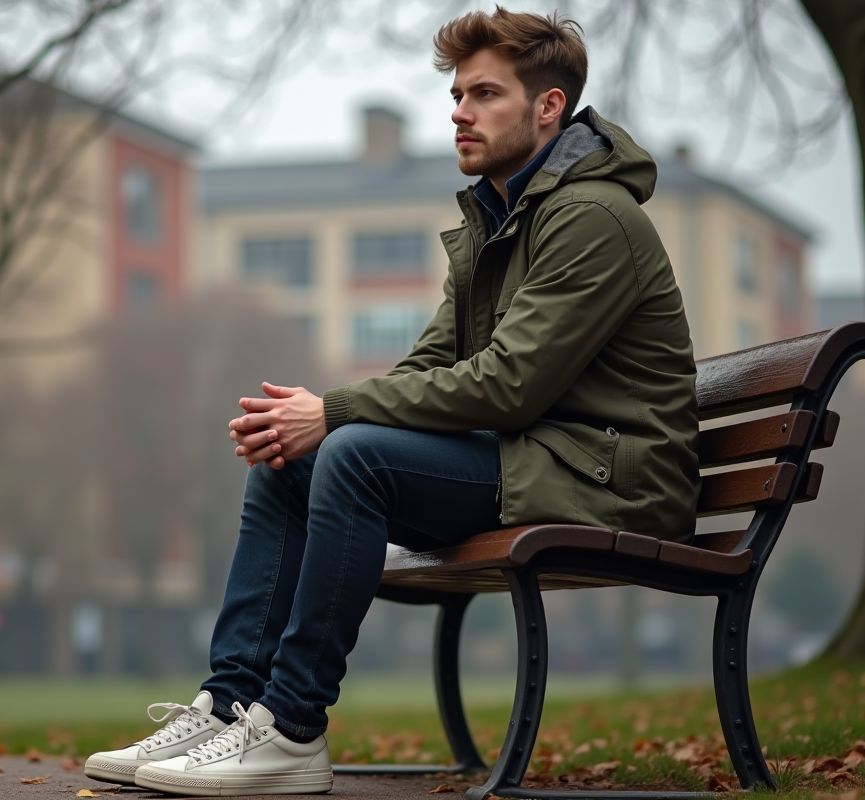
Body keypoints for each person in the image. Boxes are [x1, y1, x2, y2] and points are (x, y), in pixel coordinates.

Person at [85, 6, 700, 796]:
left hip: (615, 481)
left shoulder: (593, 218)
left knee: (351, 449)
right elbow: (434, 364)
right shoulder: (498, 217)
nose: (459, 113)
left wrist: (336, 414)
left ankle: (293, 728)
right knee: (294, 455)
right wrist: (316, 419)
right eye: (455, 96)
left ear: (550, 106)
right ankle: (233, 703)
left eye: (484, 95)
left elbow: (510, 386)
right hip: (544, 462)